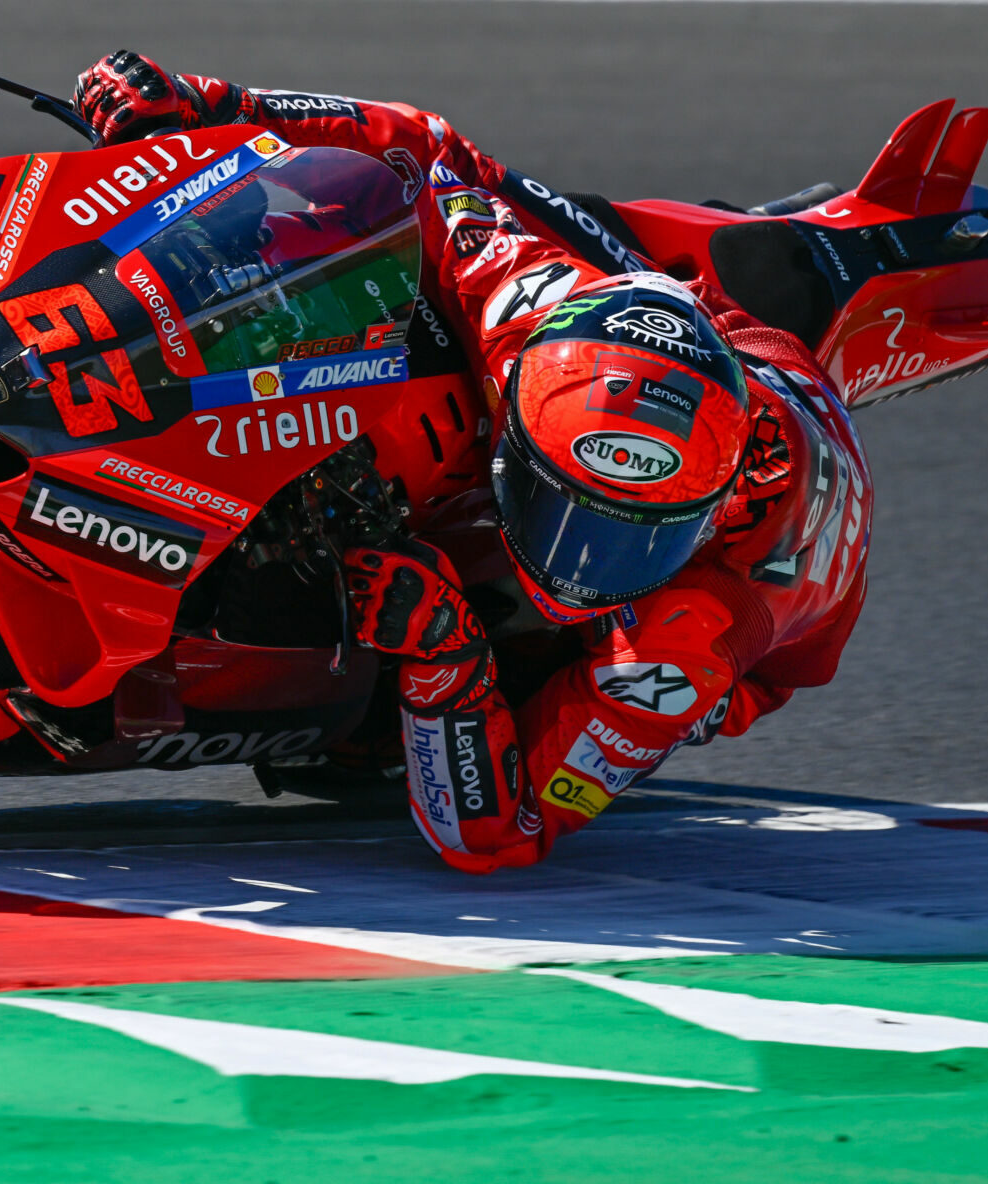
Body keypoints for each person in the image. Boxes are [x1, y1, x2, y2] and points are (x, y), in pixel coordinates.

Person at [74, 52, 873, 873]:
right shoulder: (531, 311)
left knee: (378, 732)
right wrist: (213, 105)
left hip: (726, 633)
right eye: (554, 504)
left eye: (622, 537)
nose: (576, 562)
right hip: (706, 344)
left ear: (703, 515)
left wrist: (445, 657)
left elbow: (497, 834)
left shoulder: (691, 641)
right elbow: (418, 156)